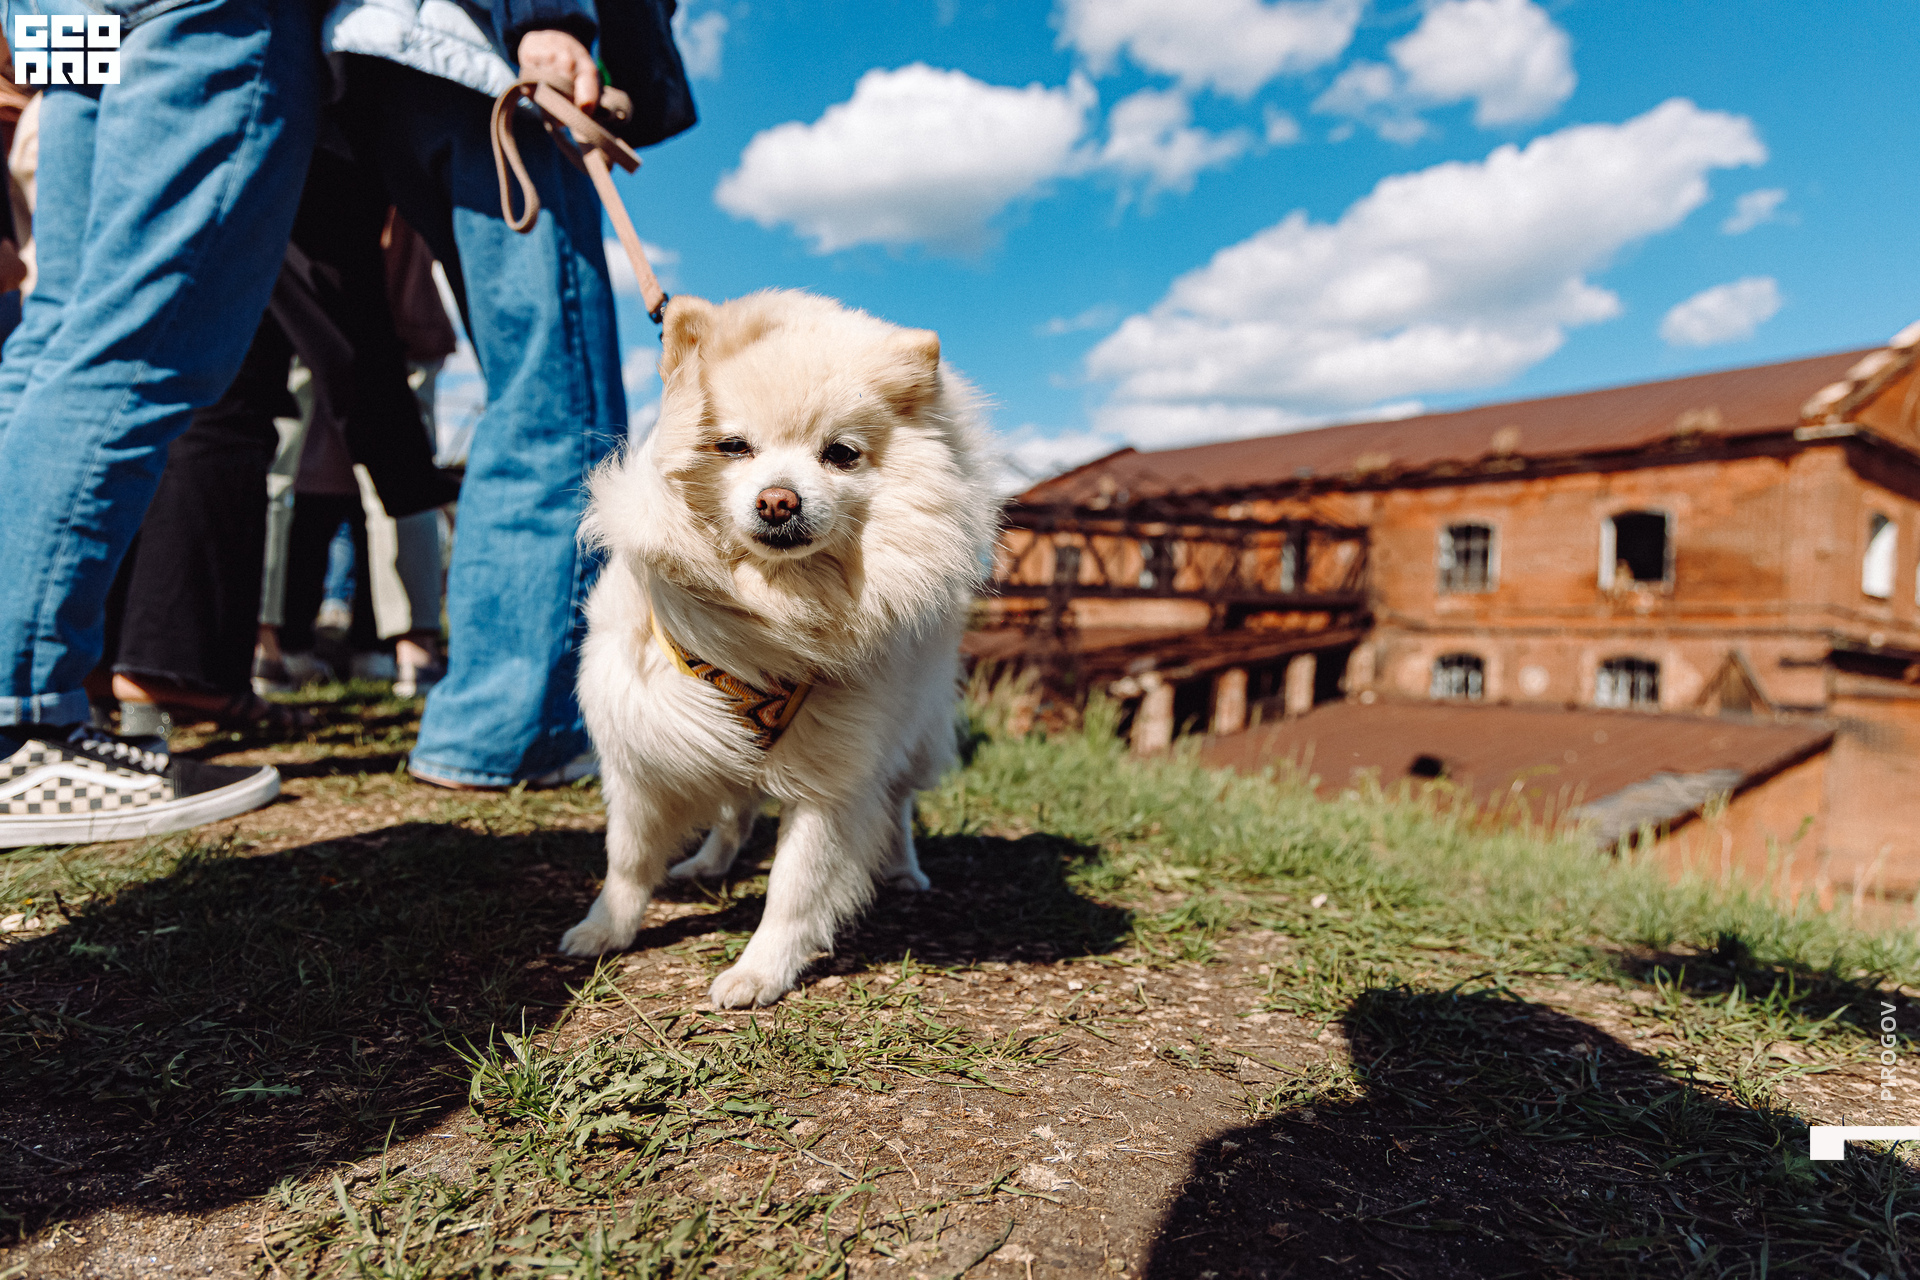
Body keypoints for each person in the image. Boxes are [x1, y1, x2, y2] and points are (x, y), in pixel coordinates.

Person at [0, 0, 620, 845]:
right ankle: (16, 717)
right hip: (202, 10)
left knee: (61, 332)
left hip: (62, 17)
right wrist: (553, 12)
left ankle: (19, 700)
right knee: (142, 334)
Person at [323, 0, 693, 788]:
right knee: (557, 400)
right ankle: (522, 726)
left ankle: (500, 715)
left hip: (397, 59)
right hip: (485, 55)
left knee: (532, 389)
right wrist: (552, 16)